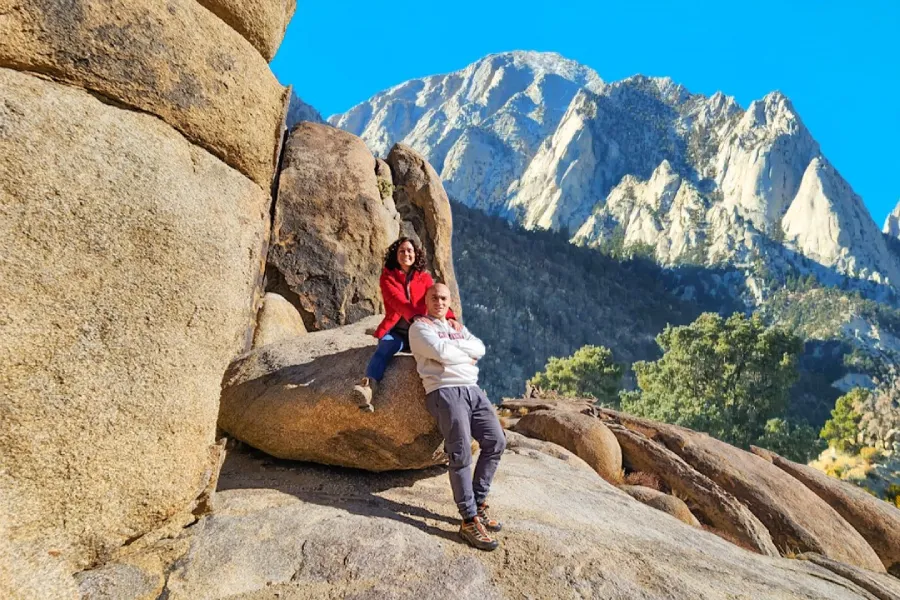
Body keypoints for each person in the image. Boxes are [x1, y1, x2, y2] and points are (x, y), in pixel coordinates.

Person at [408, 283, 506, 551]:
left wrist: (456, 352)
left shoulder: (455, 328)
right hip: (444, 391)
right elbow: (441, 353)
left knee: (496, 441)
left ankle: (478, 500)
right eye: (433, 298)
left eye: (443, 298)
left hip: (473, 391)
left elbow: (481, 348)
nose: (439, 301)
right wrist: (464, 354)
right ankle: (469, 519)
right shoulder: (419, 328)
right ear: (426, 300)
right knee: (461, 452)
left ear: (450, 301)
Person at [352, 237, 461, 412]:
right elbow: (398, 302)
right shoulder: (387, 277)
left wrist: (450, 317)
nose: (406, 254)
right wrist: (416, 316)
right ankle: (368, 388)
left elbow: (436, 299)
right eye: (402, 251)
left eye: (410, 250)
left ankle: (453, 391)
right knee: (386, 347)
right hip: (397, 331)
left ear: (415, 254)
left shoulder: (424, 278)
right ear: (396, 255)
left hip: (419, 332)